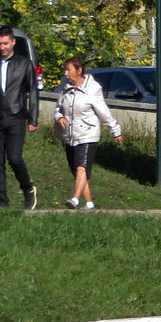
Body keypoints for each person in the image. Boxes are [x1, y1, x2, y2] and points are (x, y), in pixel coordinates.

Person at [0, 25, 40, 210]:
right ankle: (1, 200)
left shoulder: (24, 64)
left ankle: (27, 188)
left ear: (13, 42)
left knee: (14, 157)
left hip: (16, 117)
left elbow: (33, 93)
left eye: (5, 43)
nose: (1, 47)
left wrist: (33, 118)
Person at [54, 57, 122, 212]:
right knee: (76, 171)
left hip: (88, 134)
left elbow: (103, 112)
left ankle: (75, 199)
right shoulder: (66, 89)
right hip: (70, 136)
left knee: (81, 168)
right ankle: (89, 203)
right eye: (65, 70)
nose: (65, 73)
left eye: (68, 70)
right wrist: (59, 117)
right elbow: (58, 109)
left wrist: (115, 130)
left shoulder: (92, 89)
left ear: (79, 71)